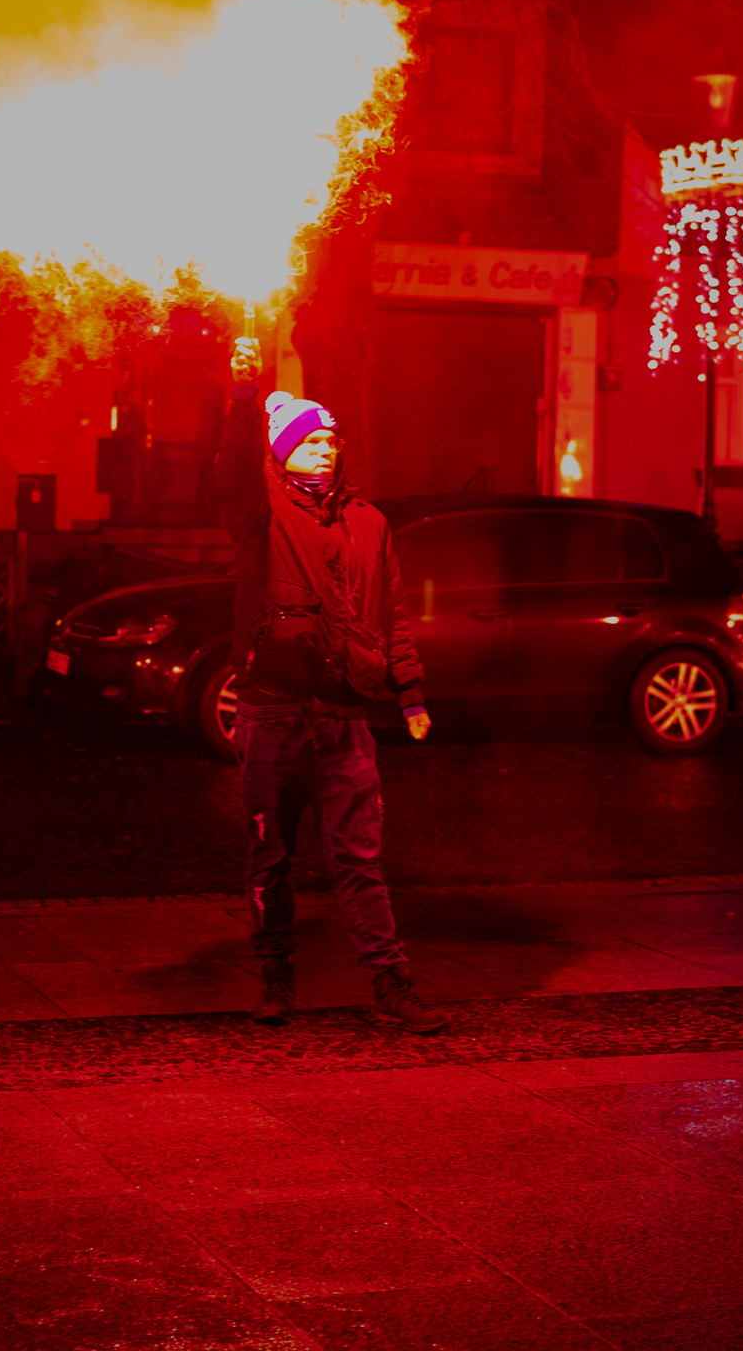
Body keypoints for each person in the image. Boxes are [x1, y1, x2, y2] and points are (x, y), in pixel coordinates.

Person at [214, 333, 446, 1034]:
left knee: (360, 860)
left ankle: (390, 981)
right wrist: (243, 395)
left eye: (331, 441)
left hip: (344, 717)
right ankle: (276, 974)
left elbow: (392, 612)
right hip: (272, 713)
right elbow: (233, 464)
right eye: (310, 441)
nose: (324, 450)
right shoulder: (259, 511)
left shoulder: (369, 523)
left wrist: (409, 689)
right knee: (270, 857)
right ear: (282, 450)